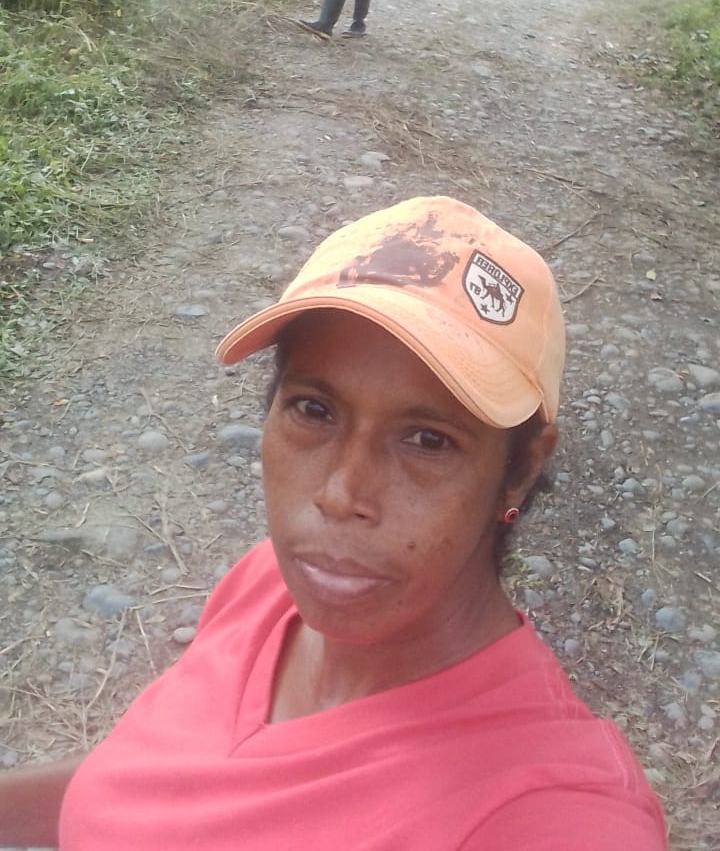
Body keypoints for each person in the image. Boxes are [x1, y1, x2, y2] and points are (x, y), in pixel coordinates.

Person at [0, 195, 668, 850]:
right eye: (314, 410)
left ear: (519, 470)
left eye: (429, 441)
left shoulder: (550, 808)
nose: (341, 494)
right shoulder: (267, 584)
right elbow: (149, 795)